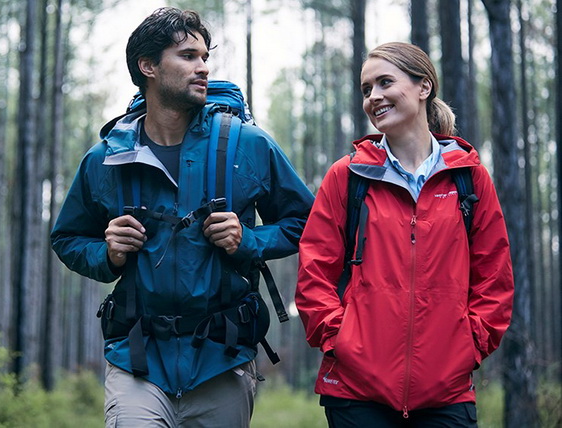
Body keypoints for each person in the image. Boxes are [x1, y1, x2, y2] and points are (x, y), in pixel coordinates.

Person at [51, 7, 314, 427]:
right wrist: (107, 253)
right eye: (188, 56)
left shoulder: (248, 143)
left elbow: (307, 222)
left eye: (205, 57)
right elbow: (66, 238)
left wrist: (249, 240)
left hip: (222, 358)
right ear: (148, 66)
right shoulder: (106, 158)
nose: (203, 67)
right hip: (137, 361)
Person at [295, 42, 514, 427]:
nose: (373, 97)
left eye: (384, 82)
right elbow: (314, 274)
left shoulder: (468, 178)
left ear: (423, 87)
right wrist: (341, 340)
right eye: (366, 89)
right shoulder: (347, 177)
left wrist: (470, 345)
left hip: (447, 392)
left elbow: (494, 277)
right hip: (355, 391)